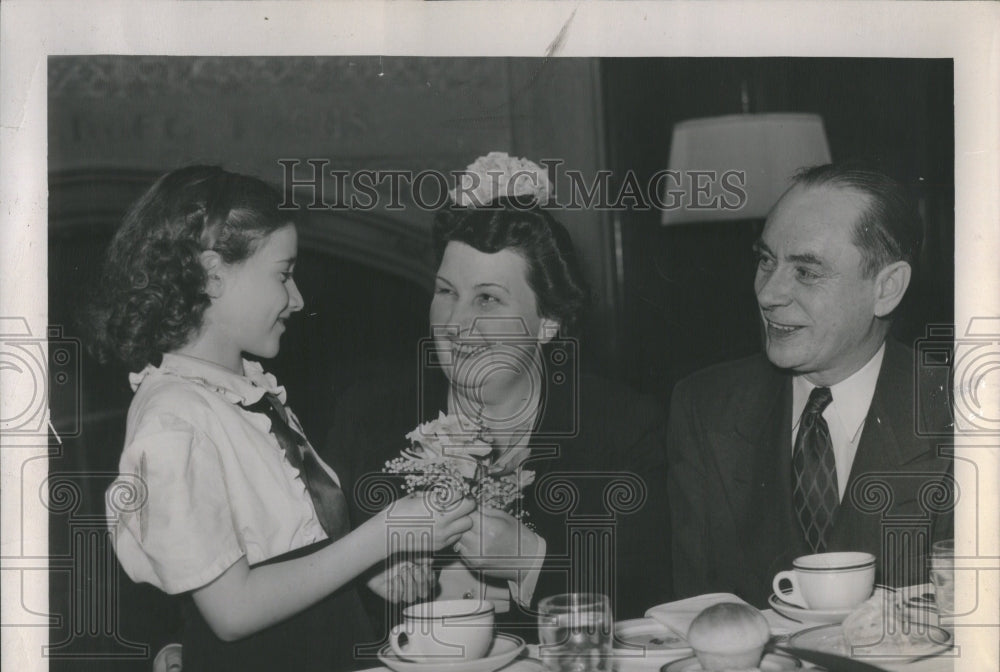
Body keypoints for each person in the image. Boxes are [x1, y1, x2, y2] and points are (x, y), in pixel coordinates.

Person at [90, 165, 474, 672]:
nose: (296, 299)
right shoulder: (174, 422)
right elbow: (232, 609)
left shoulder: (244, 394)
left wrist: (366, 571)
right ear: (213, 274)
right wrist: (380, 537)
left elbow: (281, 550)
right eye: (282, 273)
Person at [325, 153, 671, 640]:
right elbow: (305, 569)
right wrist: (363, 570)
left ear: (548, 321)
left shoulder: (619, 427)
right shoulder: (368, 416)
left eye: (487, 299)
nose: (455, 323)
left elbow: (649, 599)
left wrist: (529, 561)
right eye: (446, 292)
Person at [668, 163, 953, 608]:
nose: (768, 294)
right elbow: (695, 615)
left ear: (887, 288)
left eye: (806, 271)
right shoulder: (706, 408)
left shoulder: (960, 414)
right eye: (766, 261)